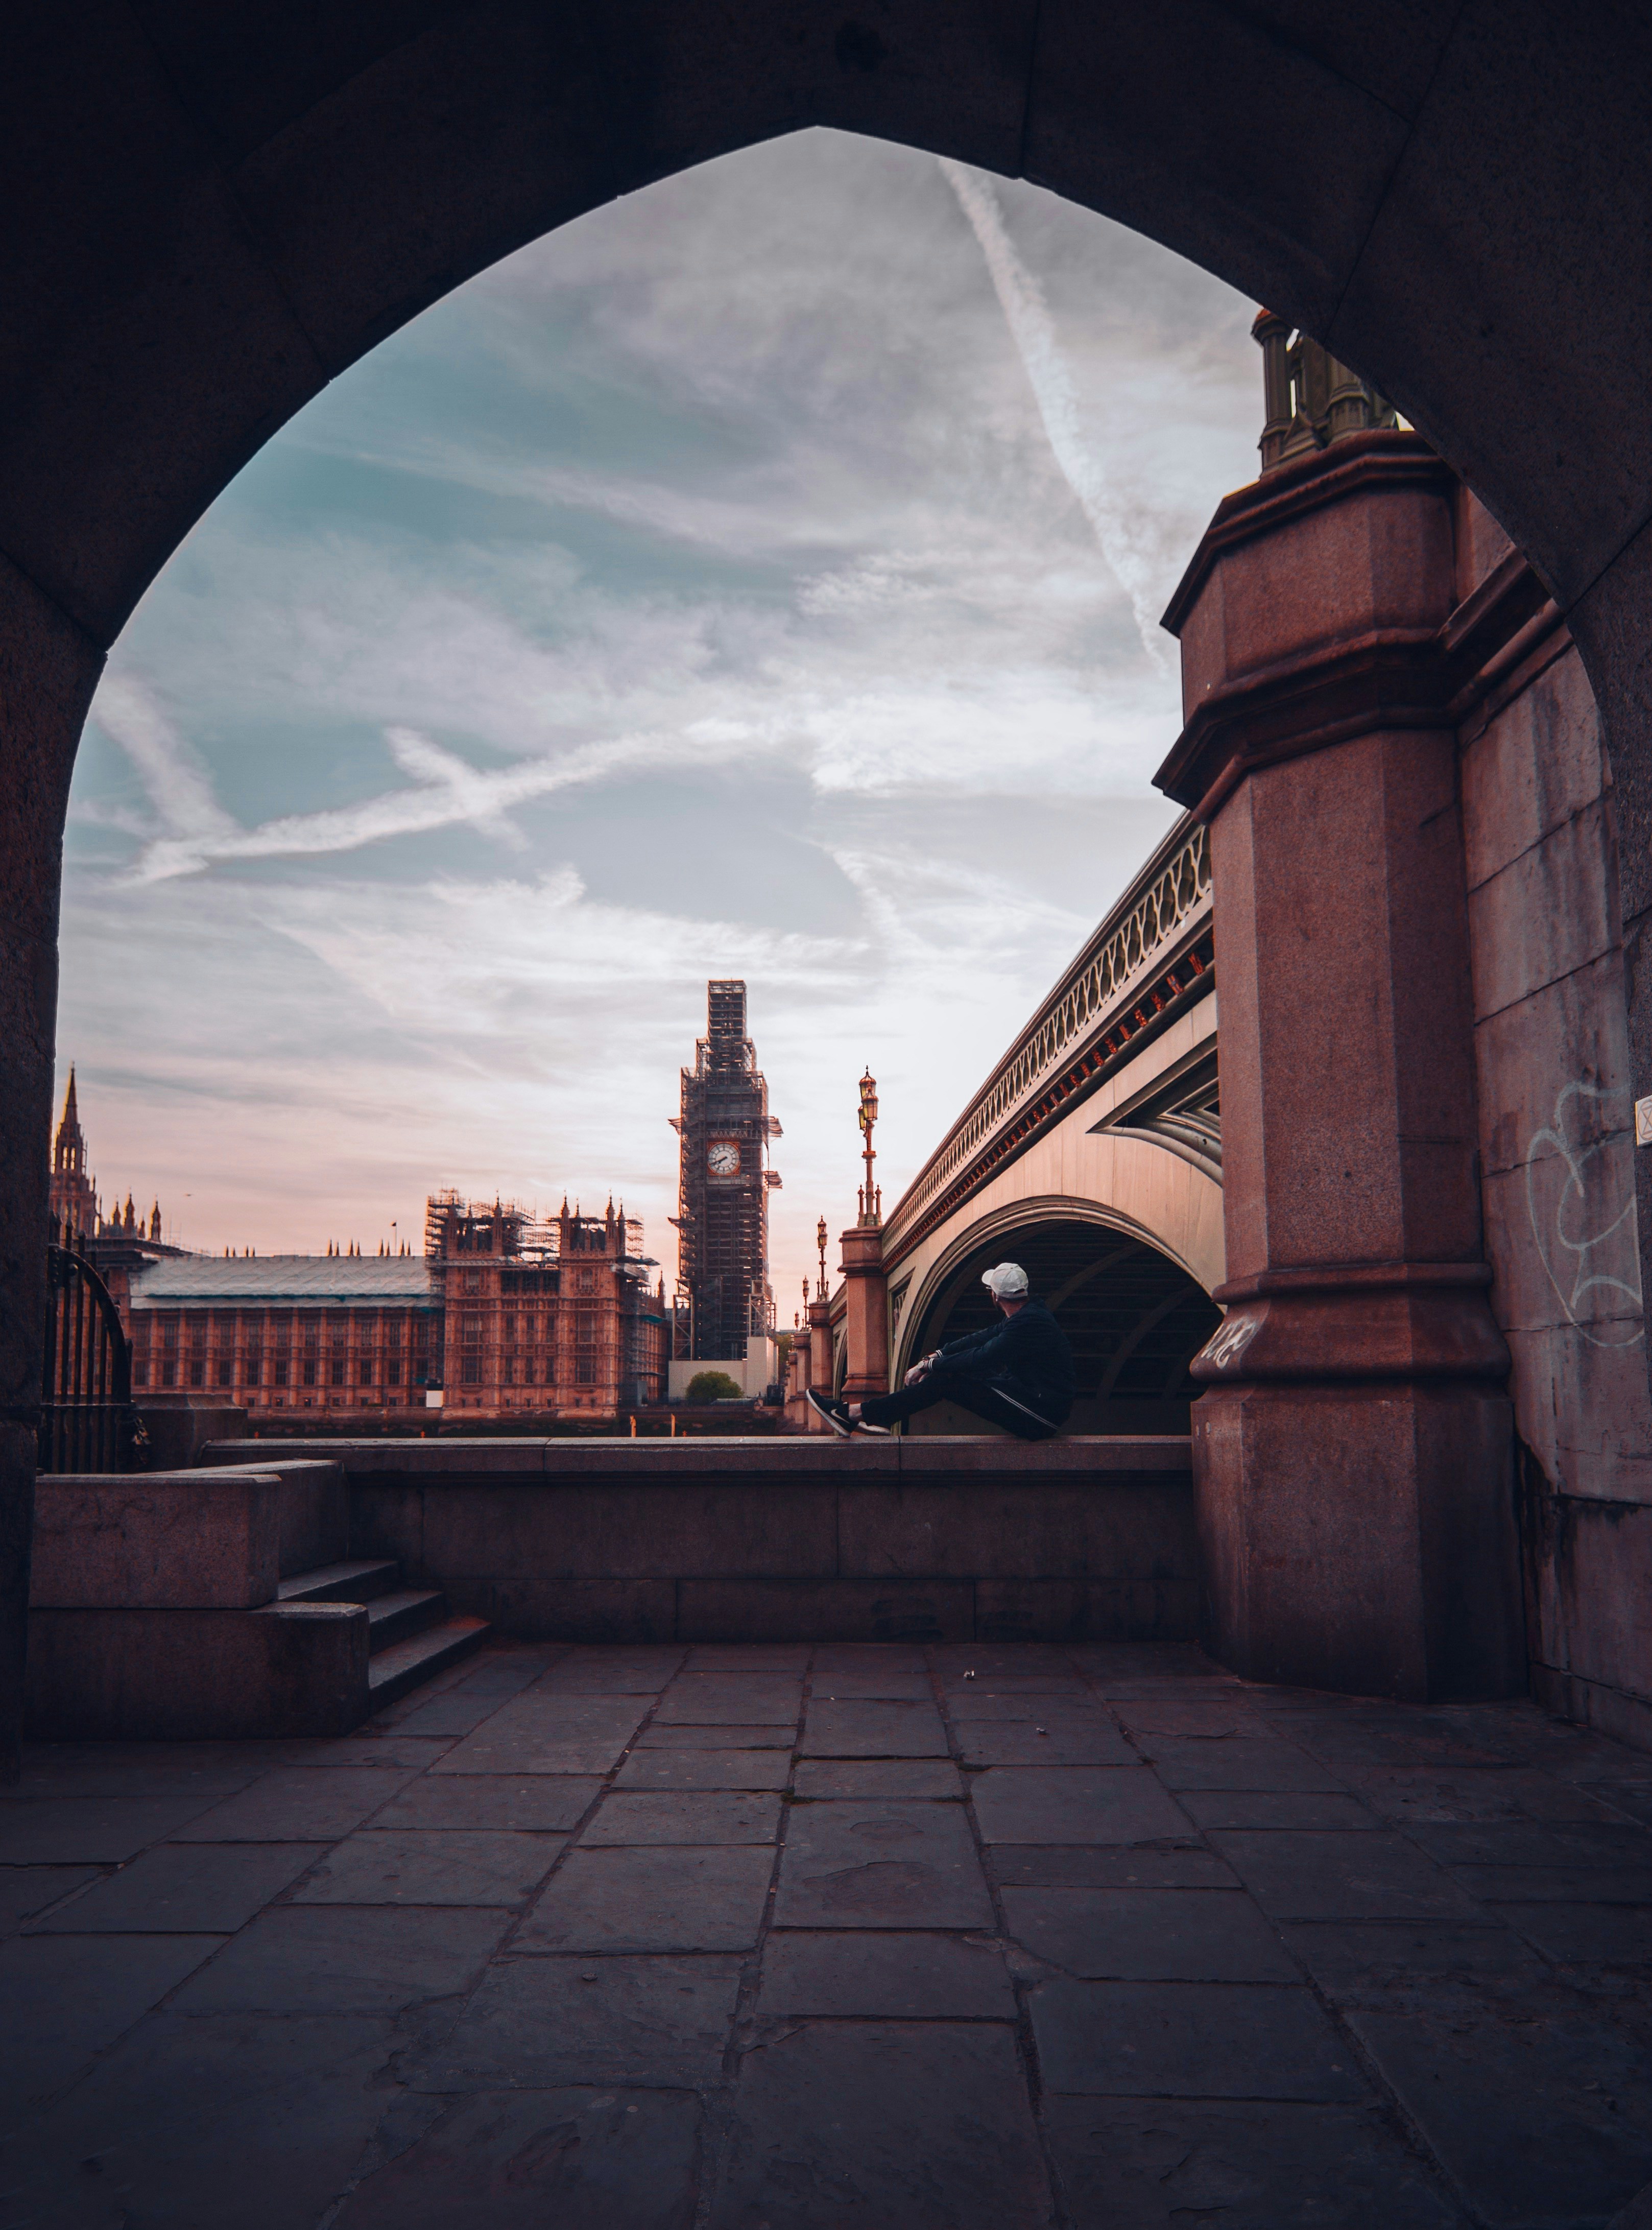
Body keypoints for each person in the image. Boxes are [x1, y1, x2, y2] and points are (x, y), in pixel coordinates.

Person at [809, 1262, 1074, 1440]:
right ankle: (876, 1416)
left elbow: (982, 1356)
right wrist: (936, 1356)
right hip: (1034, 1400)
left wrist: (930, 1367)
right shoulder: (1029, 1315)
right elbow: (979, 1339)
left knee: (947, 1380)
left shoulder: (1029, 1322)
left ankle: (854, 1414)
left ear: (994, 1295)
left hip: (1040, 1413)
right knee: (946, 1376)